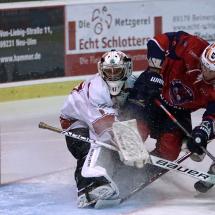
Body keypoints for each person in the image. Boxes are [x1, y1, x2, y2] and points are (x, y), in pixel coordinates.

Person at [122, 31, 215, 193]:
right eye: (204, 65)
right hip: (153, 90)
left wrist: (203, 132)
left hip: (178, 111)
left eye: (211, 71)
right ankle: (107, 168)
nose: (205, 72)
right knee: (135, 133)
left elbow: (212, 114)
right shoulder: (193, 46)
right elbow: (157, 42)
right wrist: (154, 71)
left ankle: (136, 175)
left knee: (170, 151)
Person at [59, 50, 138, 207]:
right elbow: (103, 127)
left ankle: (111, 175)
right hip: (76, 122)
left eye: (118, 71)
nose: (113, 75)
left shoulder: (132, 83)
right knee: (89, 148)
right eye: (109, 71)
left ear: (127, 70)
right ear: (102, 71)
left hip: (98, 119)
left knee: (112, 148)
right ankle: (86, 187)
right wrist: (129, 147)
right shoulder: (96, 89)